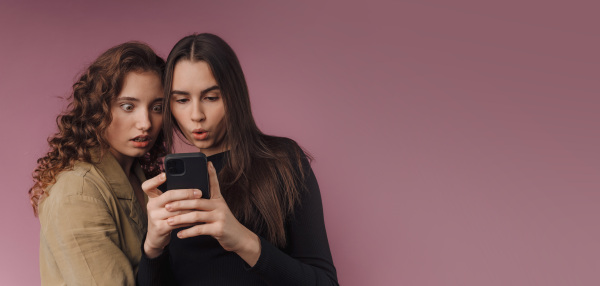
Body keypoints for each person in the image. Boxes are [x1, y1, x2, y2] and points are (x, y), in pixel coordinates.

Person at [138, 33, 338, 286]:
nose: (196, 115)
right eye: (182, 100)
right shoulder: (166, 190)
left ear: (234, 95)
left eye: (211, 98)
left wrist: (243, 241)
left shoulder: (283, 162)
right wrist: (152, 249)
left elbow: (326, 282)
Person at [29, 42, 166, 285]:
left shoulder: (140, 176)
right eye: (128, 106)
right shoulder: (78, 192)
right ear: (99, 109)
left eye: (157, 107)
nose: (145, 122)